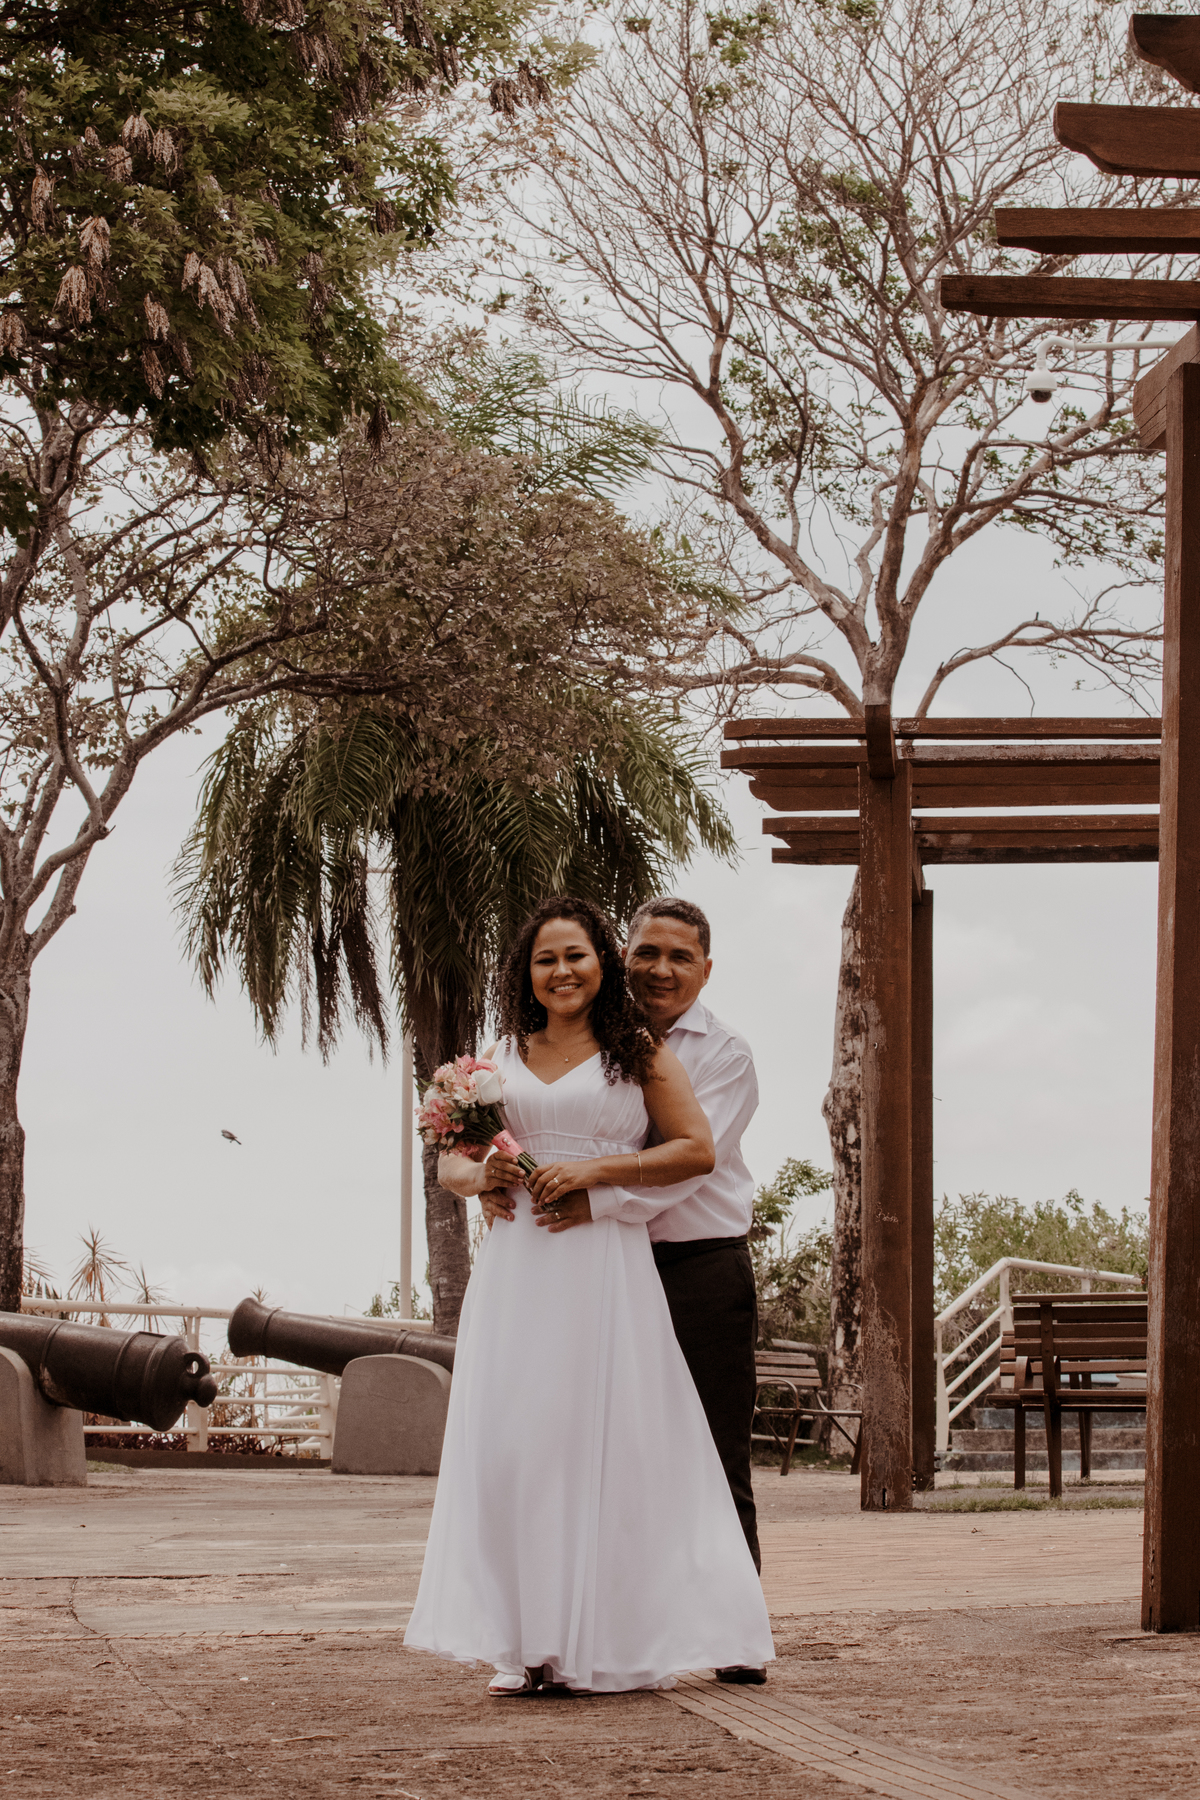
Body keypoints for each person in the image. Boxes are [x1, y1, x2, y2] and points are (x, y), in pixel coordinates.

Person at [403, 897, 773, 1697]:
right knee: (522, 1449)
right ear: (526, 973)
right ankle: (529, 1638)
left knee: (657, 1447)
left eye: (576, 955)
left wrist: (595, 1185)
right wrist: (485, 1179)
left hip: (630, 1259)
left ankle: (694, 1633)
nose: (563, 971)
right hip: (523, 1267)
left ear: (600, 961)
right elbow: (454, 1165)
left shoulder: (643, 1052)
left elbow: (695, 1150)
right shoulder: (494, 1059)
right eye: (546, 959)